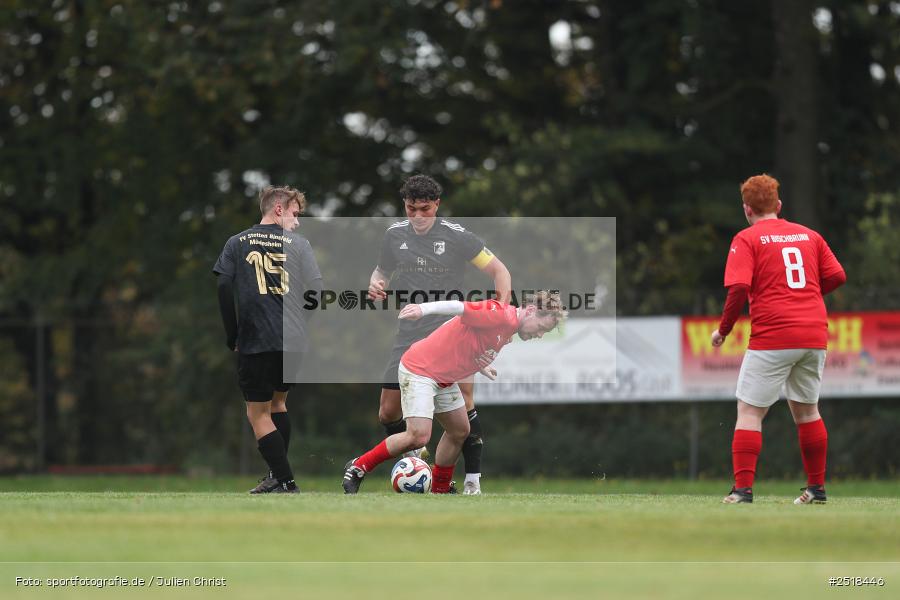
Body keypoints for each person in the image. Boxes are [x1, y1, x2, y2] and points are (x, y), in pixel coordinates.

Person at [368, 174, 511, 494]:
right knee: (388, 411)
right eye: (410, 209)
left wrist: (499, 315)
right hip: (409, 331)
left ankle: (472, 481)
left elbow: (500, 271)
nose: (417, 216)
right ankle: (415, 462)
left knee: (465, 404)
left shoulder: (457, 237)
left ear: (437, 205)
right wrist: (376, 283)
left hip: (452, 331)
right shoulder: (393, 235)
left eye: (424, 209)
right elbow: (382, 270)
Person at [342, 292, 566, 494]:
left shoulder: (509, 329)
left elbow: (463, 335)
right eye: (541, 327)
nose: (540, 334)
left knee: (460, 430)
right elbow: (459, 308)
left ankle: (439, 489)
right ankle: (358, 466)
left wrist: (480, 364)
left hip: (443, 378)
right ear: (530, 310)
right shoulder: (500, 314)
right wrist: (423, 309)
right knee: (418, 436)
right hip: (421, 369)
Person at [712, 174, 846, 505]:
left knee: (749, 411)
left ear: (747, 209)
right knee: (807, 411)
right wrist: (804, 297)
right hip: (814, 334)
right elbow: (837, 275)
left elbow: (739, 289)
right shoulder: (810, 236)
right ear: (779, 205)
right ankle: (816, 489)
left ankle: (742, 491)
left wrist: (724, 330)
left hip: (774, 335)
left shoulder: (746, 239)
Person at [214, 185, 323, 494]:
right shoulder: (299, 244)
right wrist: (301, 322)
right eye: (295, 213)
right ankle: (276, 477)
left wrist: (232, 333)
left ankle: (286, 481)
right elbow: (315, 290)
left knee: (257, 413)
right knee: (278, 404)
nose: (298, 221)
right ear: (278, 209)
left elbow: (224, 287)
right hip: (294, 340)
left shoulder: (237, 242)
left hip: (257, 337)